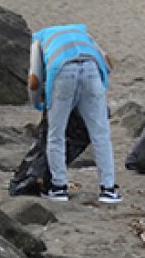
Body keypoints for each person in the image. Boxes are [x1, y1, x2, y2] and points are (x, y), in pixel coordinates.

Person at [28, 23, 121, 203]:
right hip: (92, 70)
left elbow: (34, 79)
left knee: (56, 135)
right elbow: (108, 63)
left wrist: (38, 103)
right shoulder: (82, 33)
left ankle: (59, 187)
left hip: (62, 72)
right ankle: (108, 189)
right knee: (101, 134)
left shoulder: (38, 39)